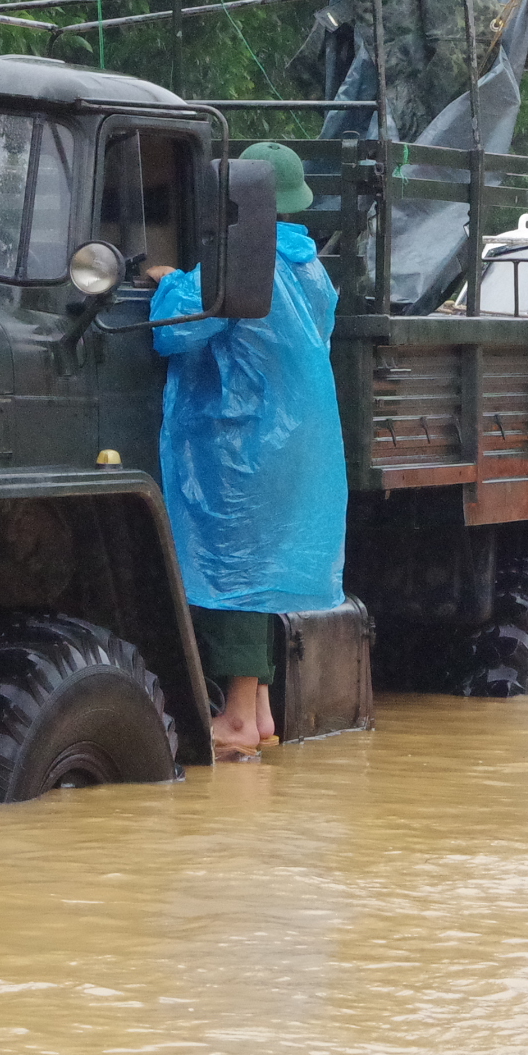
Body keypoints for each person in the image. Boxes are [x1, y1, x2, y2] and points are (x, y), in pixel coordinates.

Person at [148, 141, 350, 758]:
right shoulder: (310, 265)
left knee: (232, 577)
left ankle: (235, 718)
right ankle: (257, 714)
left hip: (239, 445)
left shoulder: (244, 260)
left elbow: (178, 331)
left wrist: (168, 280)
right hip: (292, 442)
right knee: (259, 579)